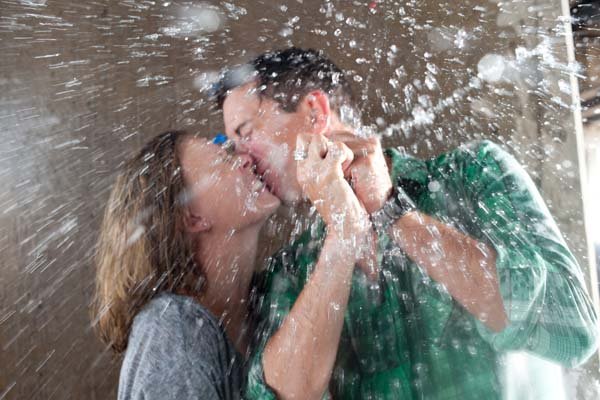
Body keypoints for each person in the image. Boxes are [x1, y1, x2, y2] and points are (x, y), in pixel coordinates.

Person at [216, 47, 600, 399]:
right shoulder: (287, 272)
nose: (242, 159)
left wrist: (390, 210)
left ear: (315, 112)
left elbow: (573, 329)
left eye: (245, 134)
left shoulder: (474, 175)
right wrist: (343, 236)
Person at [92, 130, 365, 399]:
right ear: (191, 218)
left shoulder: (269, 302)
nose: (245, 158)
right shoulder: (172, 330)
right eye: (223, 160)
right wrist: (344, 231)